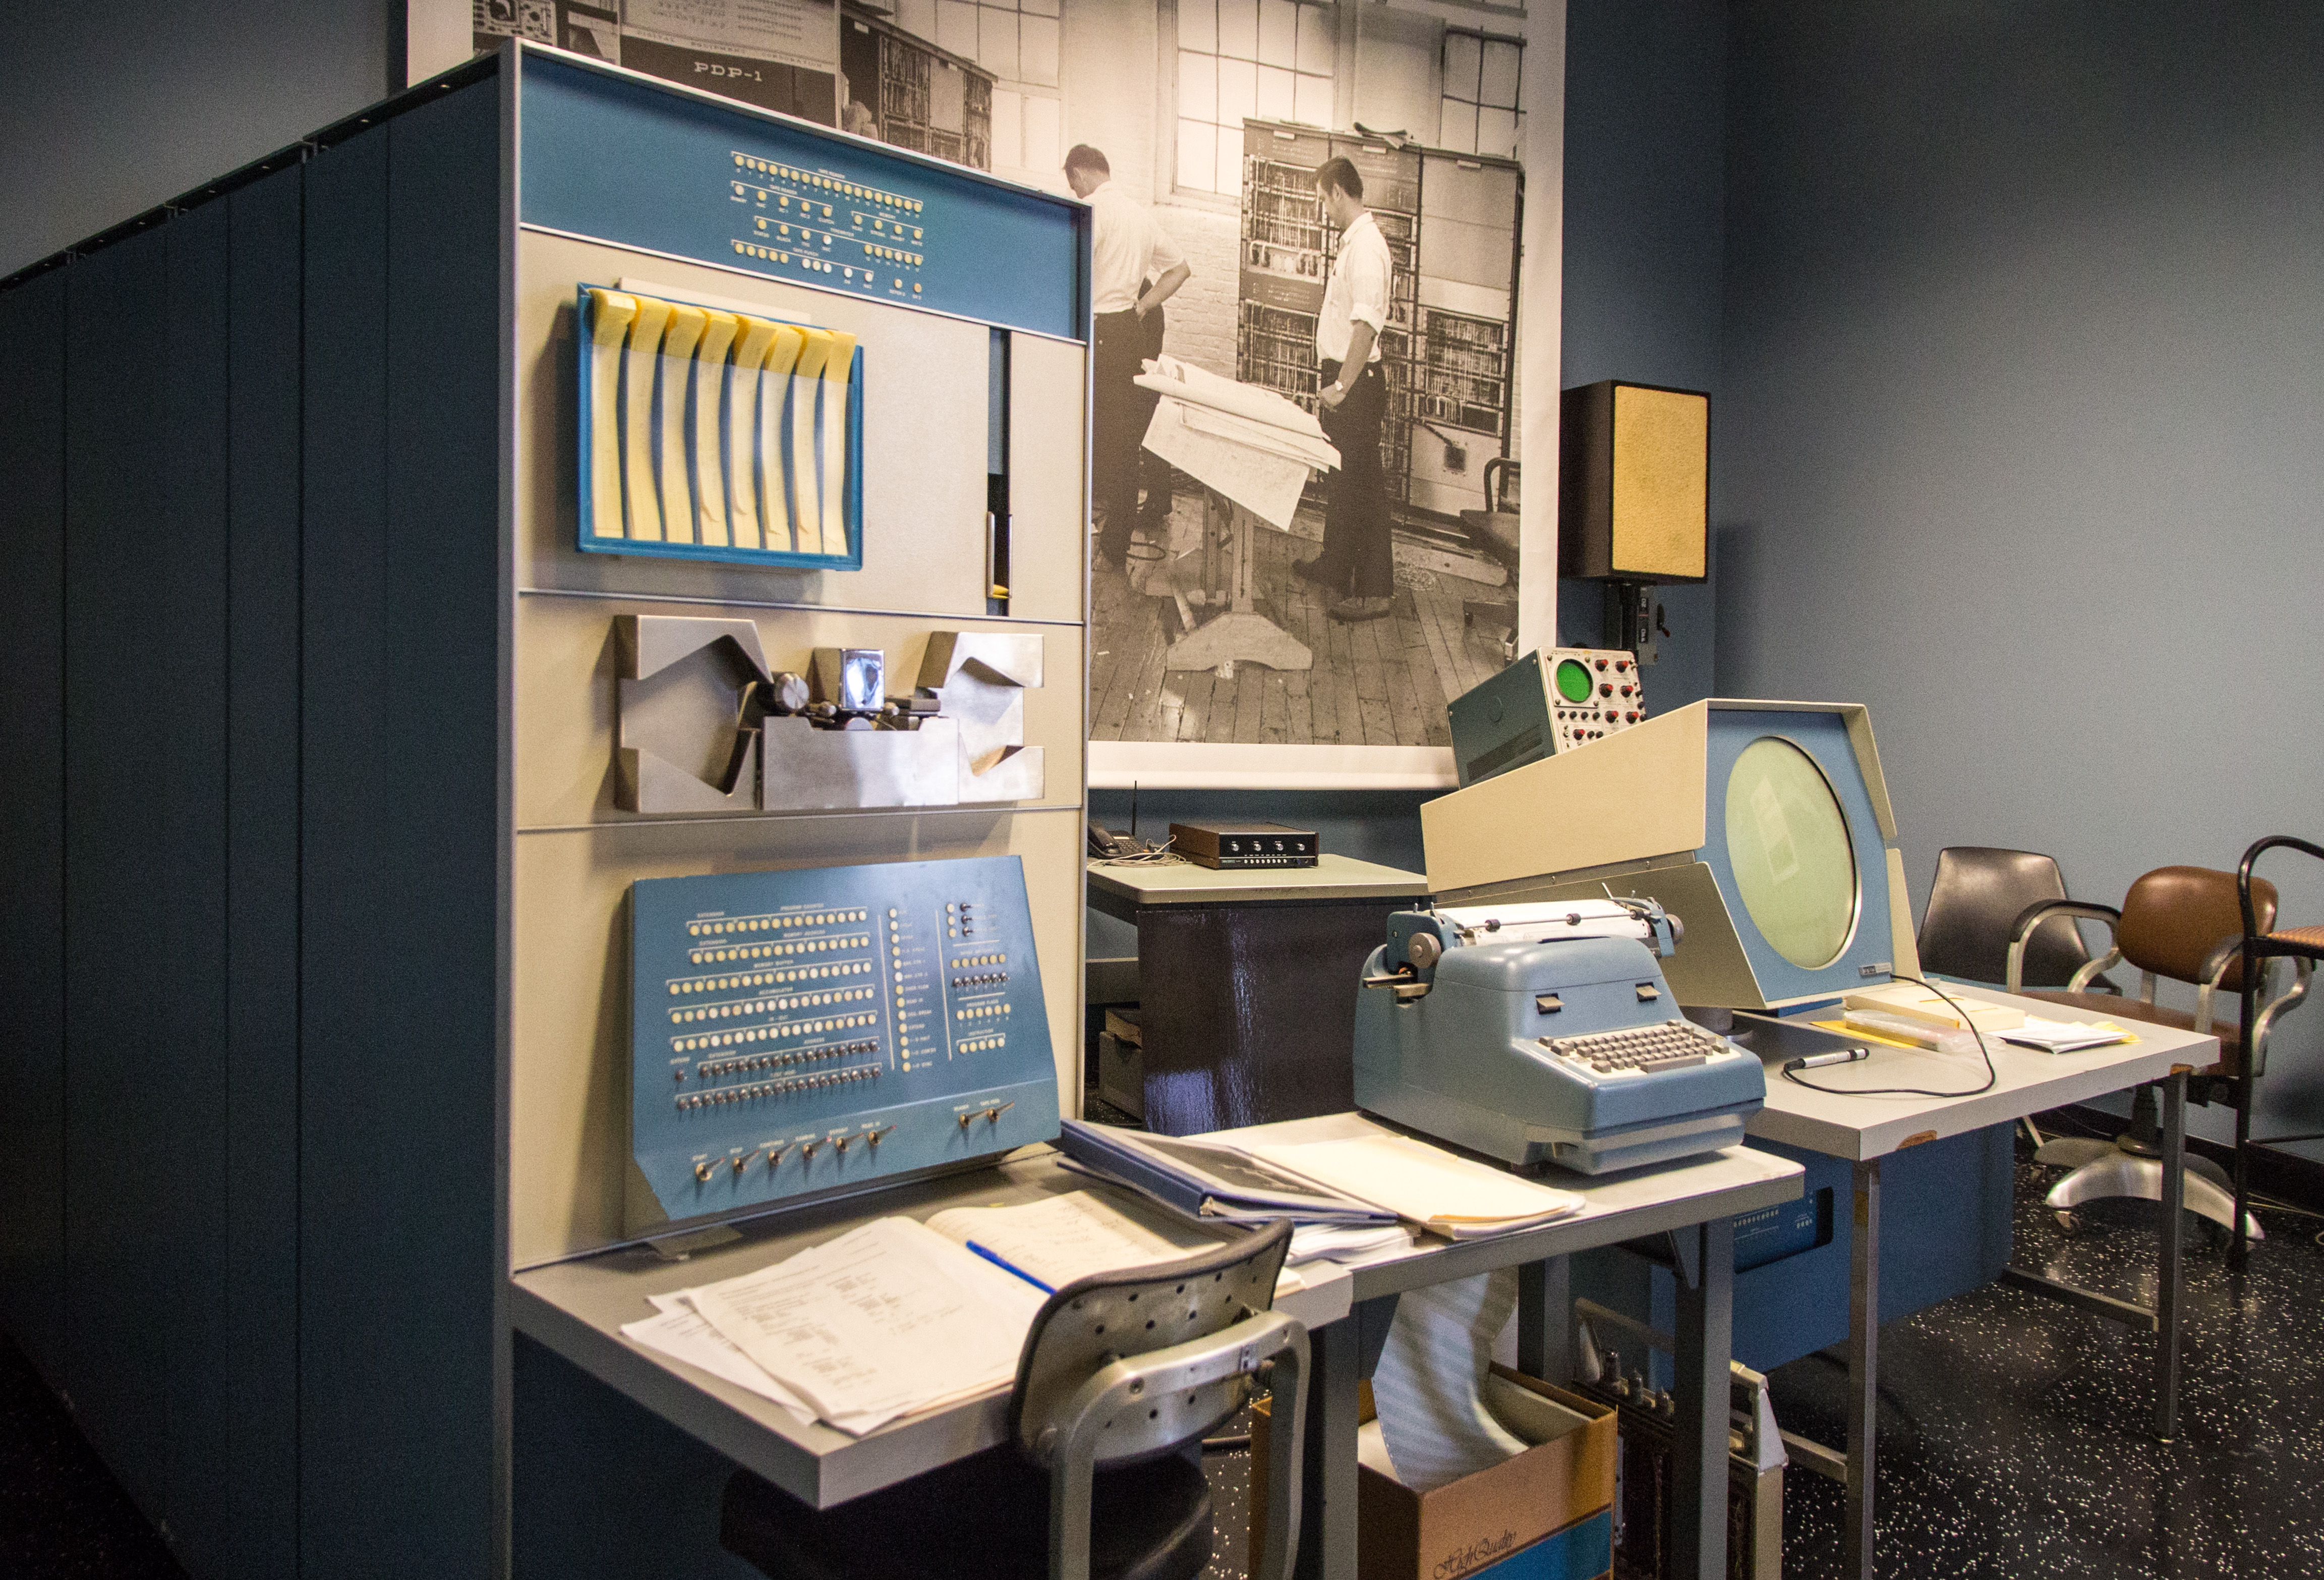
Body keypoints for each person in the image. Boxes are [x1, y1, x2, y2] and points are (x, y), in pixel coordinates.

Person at [1064, 144, 1192, 571]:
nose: (1076, 192)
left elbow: (1074, 268)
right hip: (1125, 332)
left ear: (1080, 174)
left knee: (1088, 433)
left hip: (1095, 329)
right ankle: (1115, 545)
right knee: (1122, 442)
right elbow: (1180, 269)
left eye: (1073, 185)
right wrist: (1141, 306)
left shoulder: (1093, 211)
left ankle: (1076, 530)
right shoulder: (1139, 215)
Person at [1295, 155, 1394, 623]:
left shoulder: (1367, 247)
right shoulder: (1353, 243)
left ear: (1337, 191)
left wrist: (1340, 385)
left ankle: (1375, 592)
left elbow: (1367, 327)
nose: (1323, 209)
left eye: (1323, 199)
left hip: (1354, 383)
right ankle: (1334, 569)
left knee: (1362, 488)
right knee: (1343, 481)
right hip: (1346, 379)